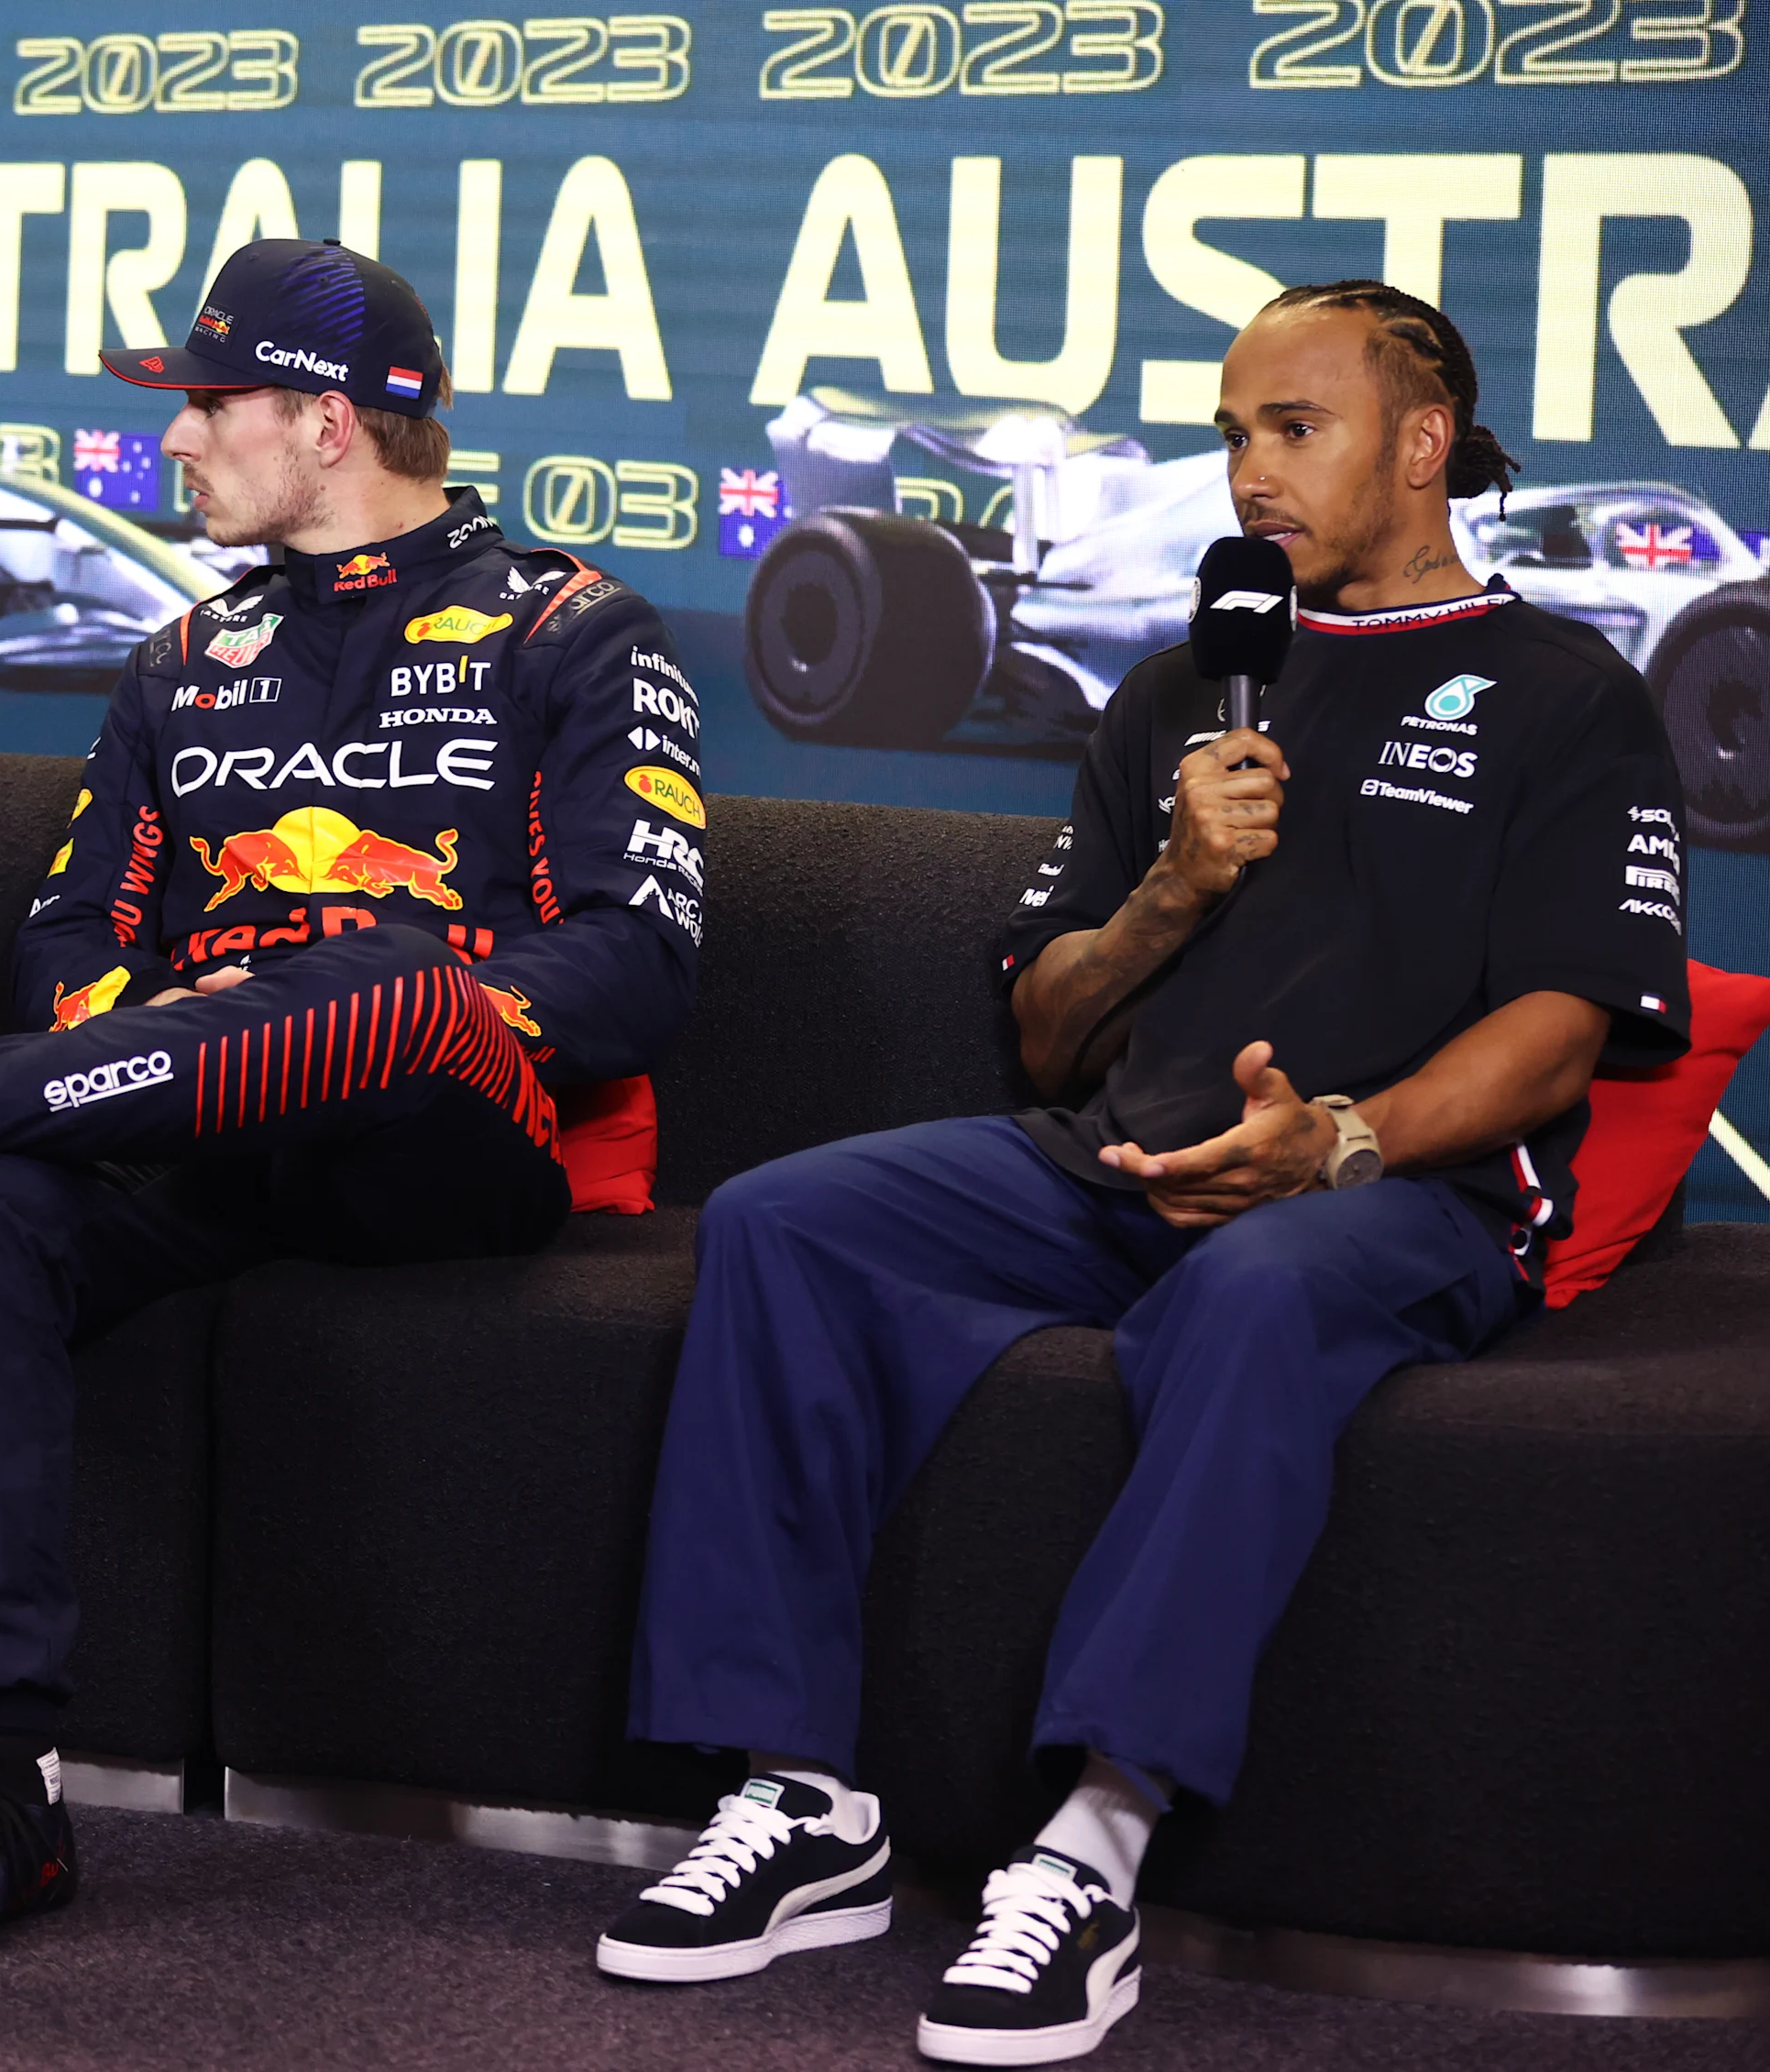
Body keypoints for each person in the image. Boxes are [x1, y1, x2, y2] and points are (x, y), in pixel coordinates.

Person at [597, 281, 1688, 2064]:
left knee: (1255, 1284)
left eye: (1294, 426)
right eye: (1233, 429)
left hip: (1392, 1188)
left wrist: (1330, 1139)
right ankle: (800, 1798)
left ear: (1421, 443)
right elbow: (1046, 1035)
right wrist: (1174, 886)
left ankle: (1093, 1847)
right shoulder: (1182, 686)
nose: (1247, 470)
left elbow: (1562, 1032)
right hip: (1119, 1158)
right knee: (785, 1219)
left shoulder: (1571, 695)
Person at [0, 237, 704, 1956]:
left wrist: (354, 1003)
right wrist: (176, 1040)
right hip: (192, 1132)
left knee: (384, 978)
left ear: (333, 422)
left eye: (209, 404)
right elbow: (72, 938)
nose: (178, 441)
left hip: (446, 1144)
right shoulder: (183, 658)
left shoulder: (576, 632)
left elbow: (636, 965)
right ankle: (8, 1791)